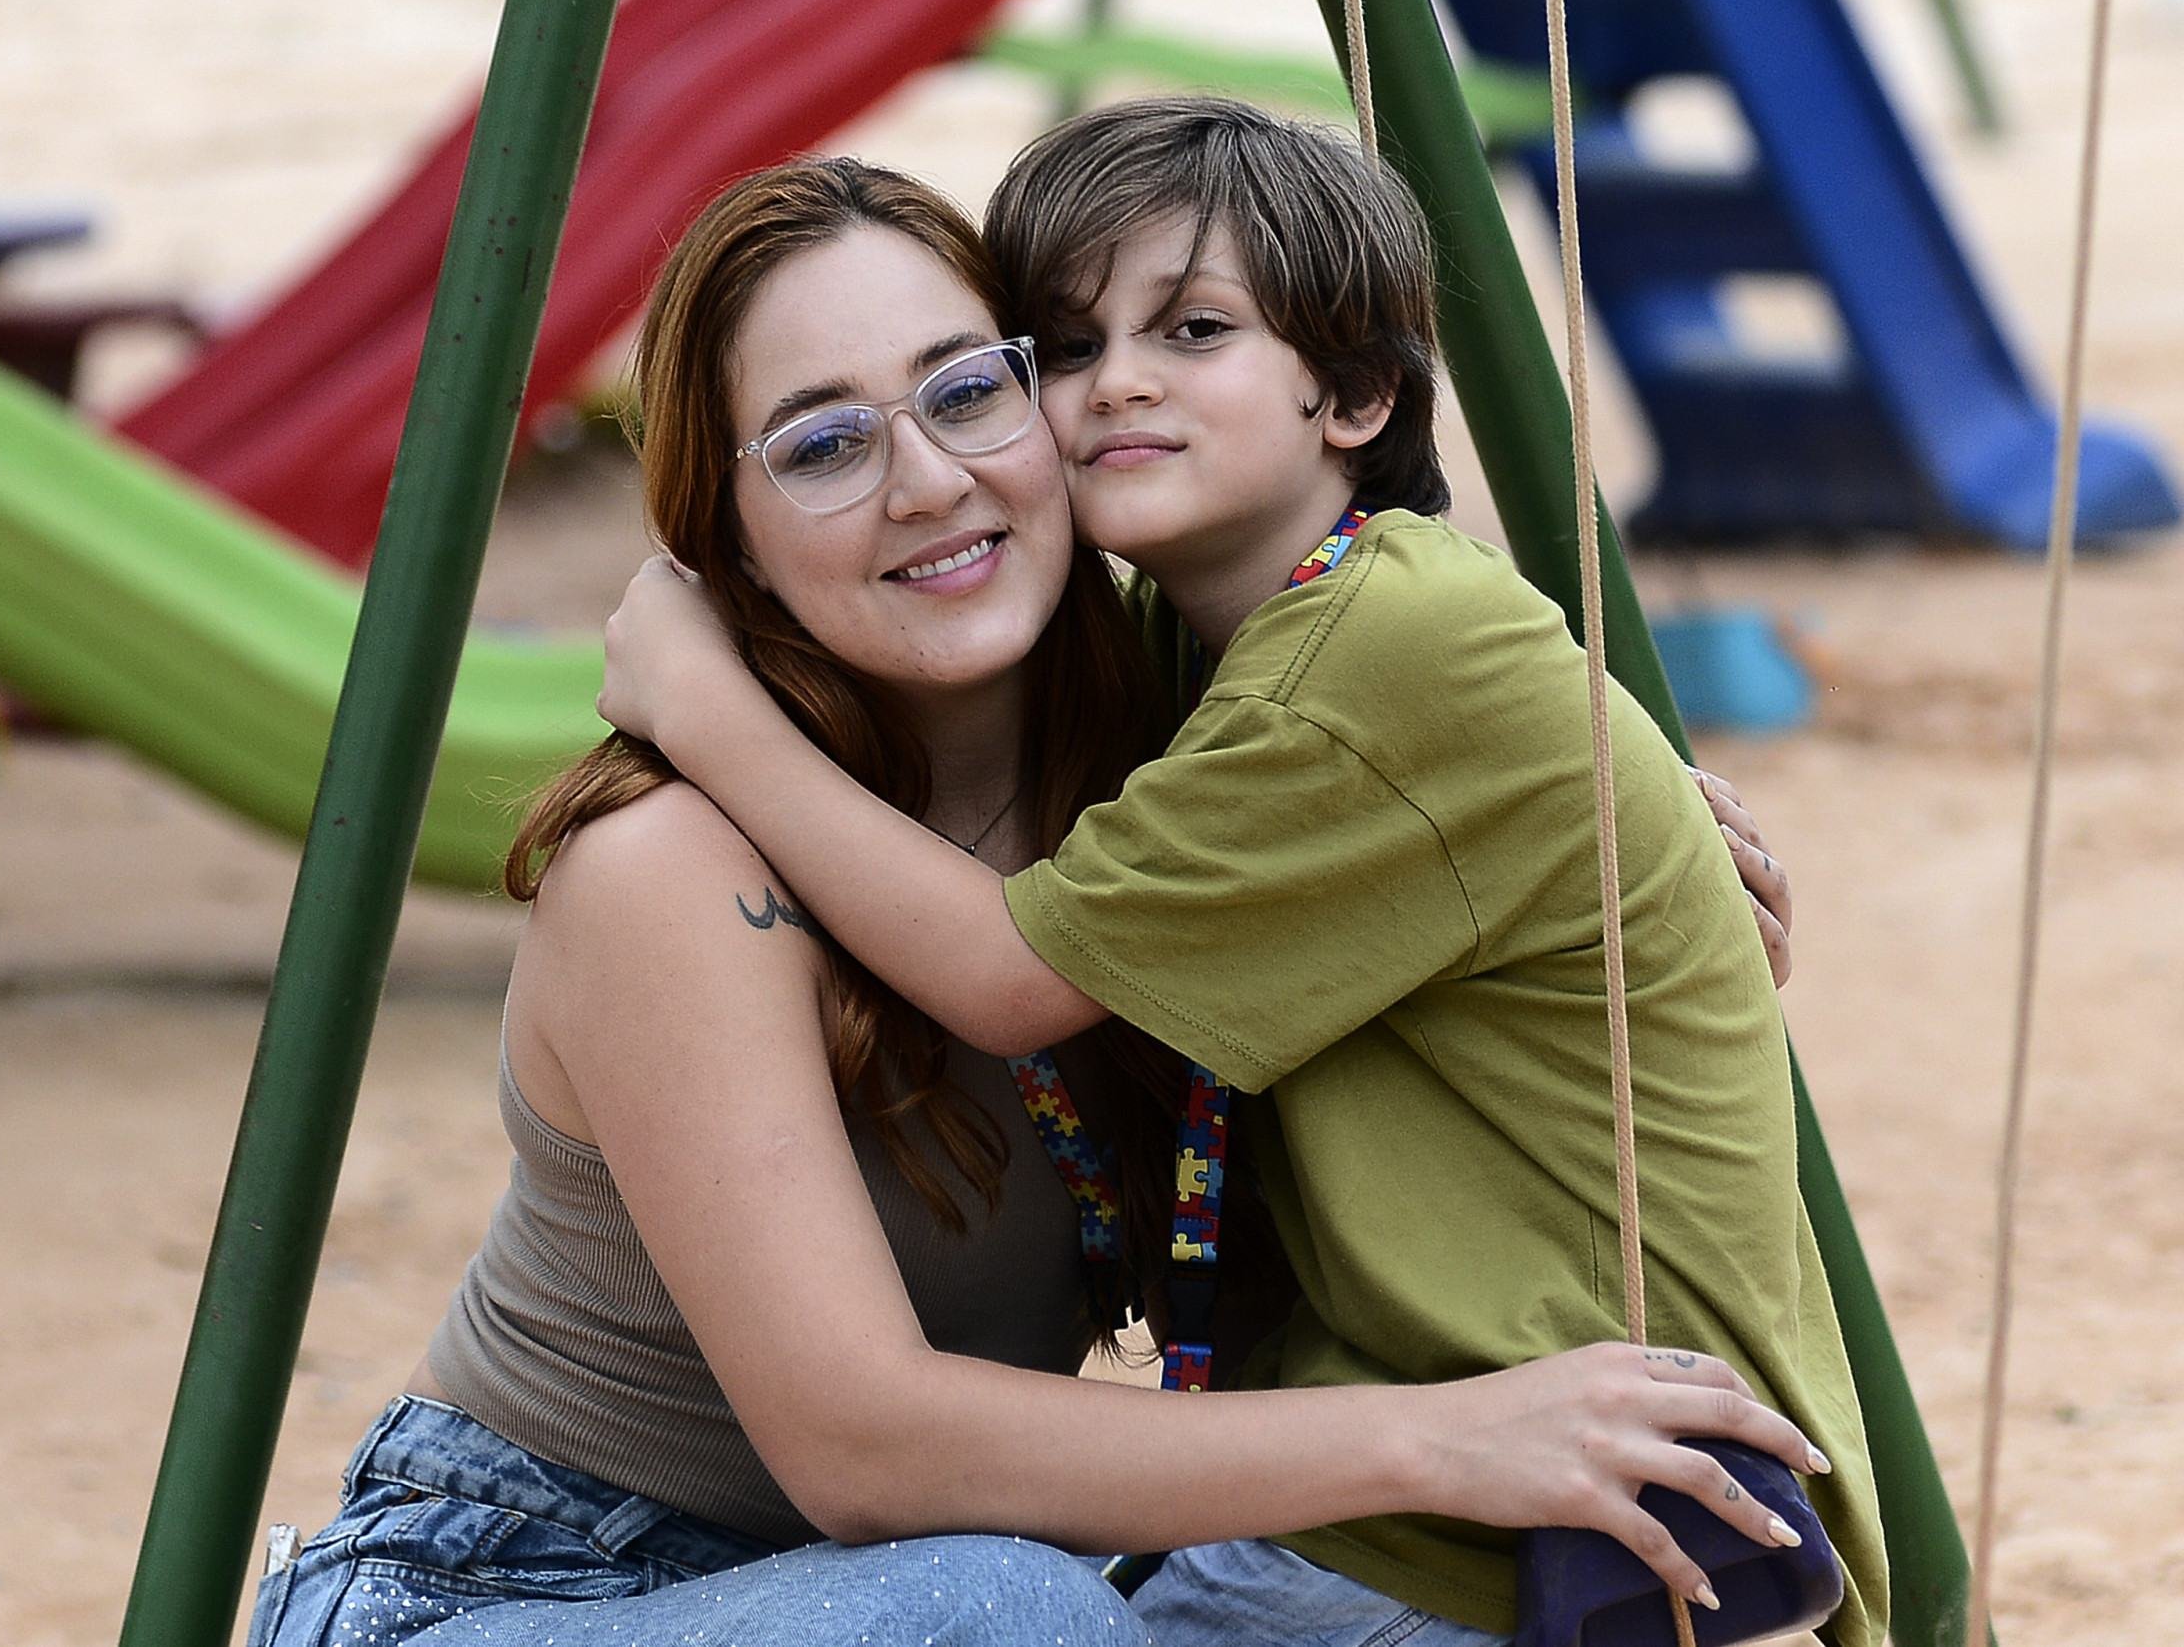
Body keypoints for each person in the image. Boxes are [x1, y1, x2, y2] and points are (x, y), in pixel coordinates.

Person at [253, 155, 1822, 1647]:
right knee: (1011, 1616)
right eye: (821, 443)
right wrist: (1447, 1439)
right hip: (538, 1593)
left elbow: (1405, 724)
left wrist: (1592, 802)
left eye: (965, 389)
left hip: (927, 1581)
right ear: (721, 532)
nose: (928, 482)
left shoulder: (1181, 756)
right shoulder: (676, 868)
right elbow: (864, 1452)